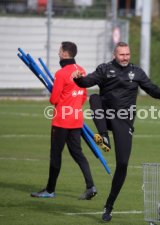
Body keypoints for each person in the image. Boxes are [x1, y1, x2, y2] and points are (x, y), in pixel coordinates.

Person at [72, 41, 160, 222]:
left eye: (127, 54)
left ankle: (109, 206)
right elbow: (87, 81)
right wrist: (78, 79)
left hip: (124, 121)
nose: (125, 57)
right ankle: (103, 137)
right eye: (122, 54)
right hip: (105, 115)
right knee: (95, 98)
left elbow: (150, 87)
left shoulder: (136, 72)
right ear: (115, 55)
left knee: (122, 164)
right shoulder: (104, 69)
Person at [31, 41, 97, 200]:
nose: (58, 53)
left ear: (65, 53)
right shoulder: (81, 70)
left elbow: (53, 99)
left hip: (61, 120)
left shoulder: (60, 74)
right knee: (77, 153)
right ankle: (90, 186)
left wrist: (60, 97)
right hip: (76, 118)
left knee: (55, 155)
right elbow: (82, 97)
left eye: (60, 51)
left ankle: (50, 190)